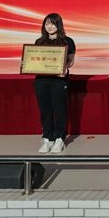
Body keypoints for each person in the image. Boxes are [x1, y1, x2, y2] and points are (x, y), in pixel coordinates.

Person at [34, 13, 75, 154]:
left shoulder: (67, 41)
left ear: (58, 25)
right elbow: (36, 60)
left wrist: (64, 69)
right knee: (45, 110)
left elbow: (70, 61)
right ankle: (47, 138)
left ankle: (59, 139)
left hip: (59, 81)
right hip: (41, 80)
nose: (49, 26)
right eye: (46, 23)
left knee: (59, 110)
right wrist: (26, 63)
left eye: (52, 23)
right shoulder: (39, 42)